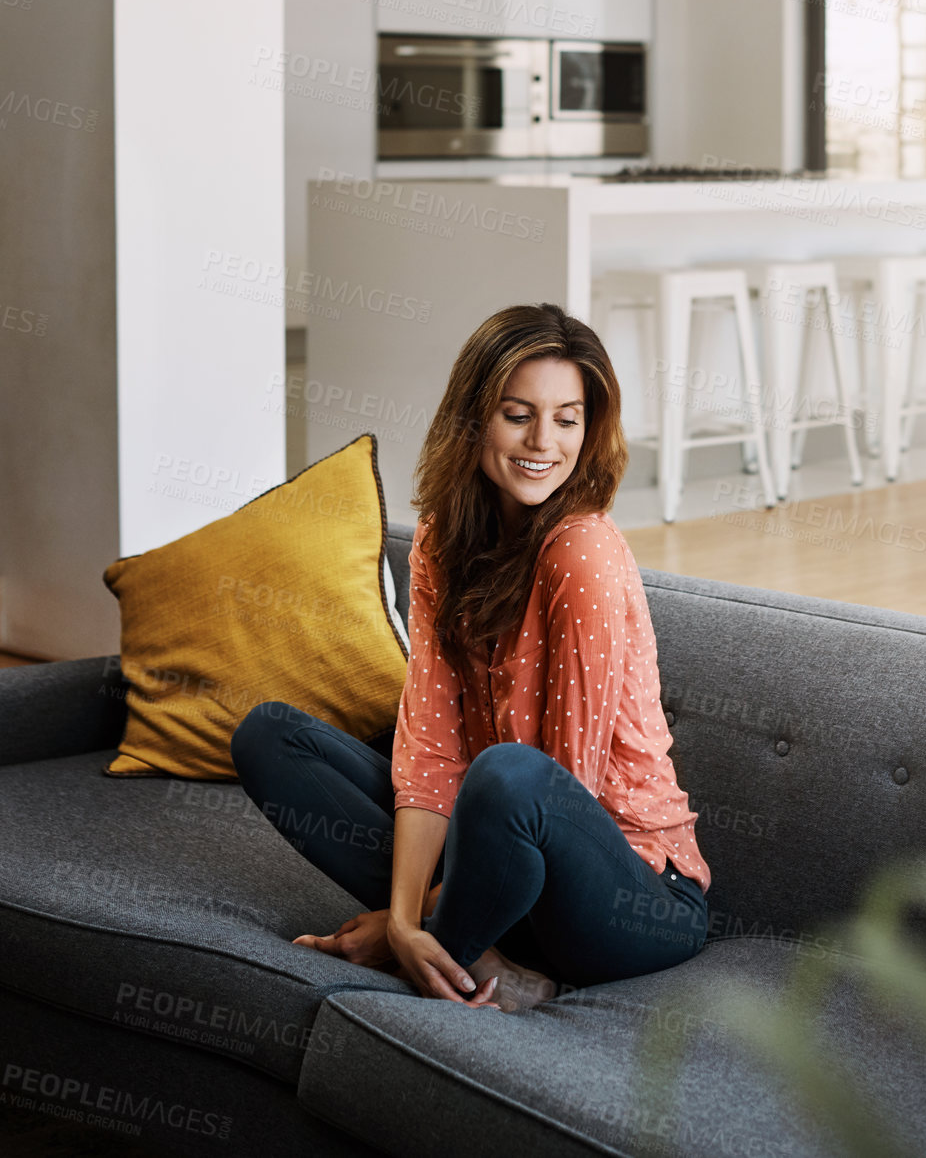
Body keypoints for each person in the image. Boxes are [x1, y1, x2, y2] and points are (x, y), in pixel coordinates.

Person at [231, 302, 711, 1013]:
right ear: (474, 416)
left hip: (628, 898)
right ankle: (469, 949)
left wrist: (413, 920)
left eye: (566, 418)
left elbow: (556, 790)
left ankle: (455, 945)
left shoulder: (582, 551)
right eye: (517, 414)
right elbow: (429, 750)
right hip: (495, 853)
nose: (542, 441)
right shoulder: (441, 539)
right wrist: (400, 919)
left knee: (509, 775)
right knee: (270, 735)